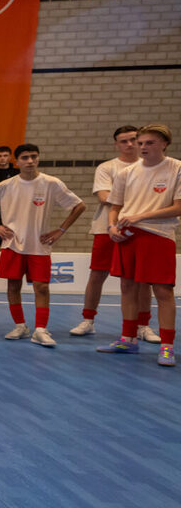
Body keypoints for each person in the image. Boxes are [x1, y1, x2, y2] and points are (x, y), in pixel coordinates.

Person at [0, 144, 85, 347]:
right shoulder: (6, 185)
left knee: (41, 287)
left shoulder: (51, 183)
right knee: (13, 286)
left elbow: (79, 206)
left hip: (39, 246)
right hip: (12, 244)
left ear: (38, 158)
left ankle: (40, 329)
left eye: (34, 156)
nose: (30, 161)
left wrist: (60, 230)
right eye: (25, 157)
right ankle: (20, 326)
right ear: (17, 161)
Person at [96, 124, 181, 365]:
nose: (142, 147)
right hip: (127, 236)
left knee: (163, 291)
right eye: (141, 143)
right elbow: (115, 207)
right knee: (127, 287)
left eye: (149, 143)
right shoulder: (126, 172)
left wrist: (140, 216)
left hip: (159, 236)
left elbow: (178, 207)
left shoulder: (177, 168)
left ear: (164, 144)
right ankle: (128, 339)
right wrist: (111, 227)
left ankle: (167, 347)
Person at [69, 126, 159, 341]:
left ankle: (143, 326)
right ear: (116, 144)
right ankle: (88, 320)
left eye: (133, 139)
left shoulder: (152, 167)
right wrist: (139, 201)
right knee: (97, 275)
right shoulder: (107, 168)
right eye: (124, 141)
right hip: (106, 228)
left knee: (142, 280)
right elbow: (104, 197)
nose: (130, 144)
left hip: (142, 229)